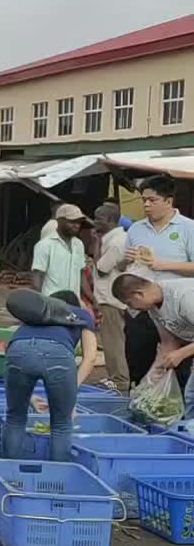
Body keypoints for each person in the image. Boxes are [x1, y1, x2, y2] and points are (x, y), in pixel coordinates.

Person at [2, 291, 98, 462]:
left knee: (15, 418)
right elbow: (90, 358)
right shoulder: (80, 314)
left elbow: (14, 355)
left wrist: (29, 397)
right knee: (61, 424)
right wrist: (70, 392)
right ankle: (58, 477)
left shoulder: (34, 315)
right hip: (58, 353)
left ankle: (9, 473)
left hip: (17, 350)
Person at [123, 174, 194, 387]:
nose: (146, 204)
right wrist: (126, 261)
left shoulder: (188, 228)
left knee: (178, 362)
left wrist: (162, 265)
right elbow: (124, 267)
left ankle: (180, 412)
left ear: (169, 201)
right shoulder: (135, 229)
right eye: (143, 199)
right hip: (141, 307)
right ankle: (141, 401)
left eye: (152, 200)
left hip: (177, 308)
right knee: (137, 359)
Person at [113, 273, 194, 416]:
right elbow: (168, 343)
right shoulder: (153, 308)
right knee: (190, 396)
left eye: (129, 303)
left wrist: (181, 354)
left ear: (139, 294)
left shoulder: (184, 297)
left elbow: (178, 352)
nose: (132, 308)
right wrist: (152, 378)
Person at [93, 203, 130, 387]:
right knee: (118, 339)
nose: (94, 222)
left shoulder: (115, 242)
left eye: (98, 218)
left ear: (109, 220)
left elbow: (101, 269)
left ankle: (119, 379)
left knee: (113, 341)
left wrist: (95, 243)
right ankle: (119, 377)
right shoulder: (119, 238)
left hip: (110, 298)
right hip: (115, 297)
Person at [32, 204, 93, 303]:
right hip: (52, 302)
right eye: (72, 222)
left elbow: (81, 276)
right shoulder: (44, 245)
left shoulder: (78, 244)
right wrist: (39, 303)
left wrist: (93, 300)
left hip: (74, 302)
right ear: (59, 221)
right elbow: (38, 277)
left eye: (78, 222)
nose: (76, 225)